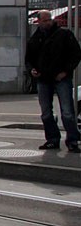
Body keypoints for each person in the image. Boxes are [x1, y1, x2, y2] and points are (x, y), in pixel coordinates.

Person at [26, 10, 81, 152]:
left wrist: (65, 71)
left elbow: (75, 54)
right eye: (44, 20)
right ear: (38, 21)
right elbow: (29, 59)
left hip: (61, 77)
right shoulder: (35, 38)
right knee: (46, 113)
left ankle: (72, 140)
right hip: (44, 79)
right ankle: (52, 139)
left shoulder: (63, 34)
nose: (48, 22)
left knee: (67, 112)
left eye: (49, 19)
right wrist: (32, 69)